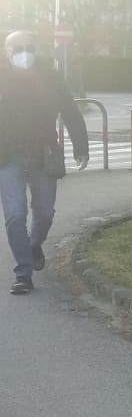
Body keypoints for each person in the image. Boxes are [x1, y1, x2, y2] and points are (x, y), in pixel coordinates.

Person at [0, 30, 89, 294]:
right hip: (8, 157)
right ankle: (23, 273)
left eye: (27, 47)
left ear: (35, 49)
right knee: (15, 215)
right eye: (16, 48)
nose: (23, 52)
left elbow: (70, 111)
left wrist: (80, 148)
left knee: (45, 214)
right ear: (7, 52)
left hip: (44, 155)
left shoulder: (50, 77)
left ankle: (34, 244)